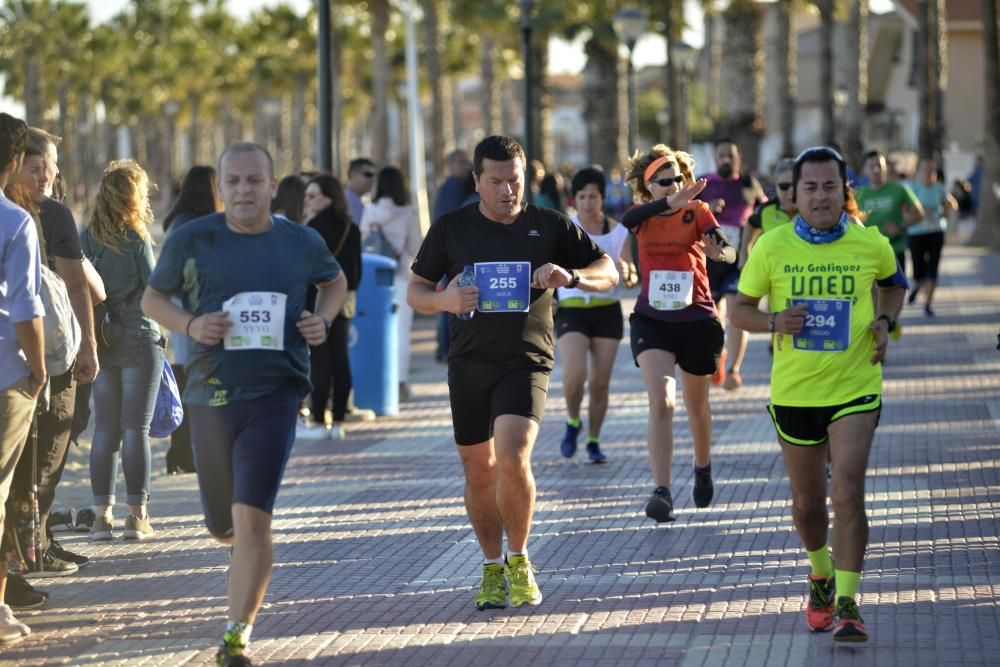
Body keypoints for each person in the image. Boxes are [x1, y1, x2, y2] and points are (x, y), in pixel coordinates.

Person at [142, 142, 347, 666]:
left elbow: (334, 282)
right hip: (210, 395)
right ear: (221, 188)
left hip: (276, 393)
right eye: (233, 182)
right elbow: (151, 300)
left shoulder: (300, 241)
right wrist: (190, 324)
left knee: (254, 519)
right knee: (221, 525)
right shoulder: (193, 239)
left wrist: (321, 319)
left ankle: (236, 634)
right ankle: (239, 549)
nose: (243, 191)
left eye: (254, 181)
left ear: (272, 187)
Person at [407, 135, 617, 610]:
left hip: (526, 360)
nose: (507, 191)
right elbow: (416, 290)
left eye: (515, 181)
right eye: (496, 182)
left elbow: (612, 268)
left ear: (527, 179)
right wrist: (444, 300)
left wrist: (573, 277)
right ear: (478, 182)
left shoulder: (549, 225)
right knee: (478, 470)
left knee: (513, 454)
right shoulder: (451, 229)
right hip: (469, 363)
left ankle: (520, 558)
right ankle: (490, 567)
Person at [731, 146, 906, 643]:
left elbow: (895, 287)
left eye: (831, 186)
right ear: (795, 194)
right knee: (808, 505)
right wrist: (770, 322)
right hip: (795, 391)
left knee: (847, 490)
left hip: (855, 385)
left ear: (845, 190)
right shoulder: (773, 246)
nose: (821, 195)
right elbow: (738, 309)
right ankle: (821, 573)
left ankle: (849, 603)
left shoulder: (869, 243)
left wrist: (885, 322)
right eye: (810, 187)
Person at [622, 145, 736, 523]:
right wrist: (666, 202)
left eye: (679, 179)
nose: (674, 186)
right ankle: (662, 490)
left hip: (697, 317)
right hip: (652, 320)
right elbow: (628, 220)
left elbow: (726, 250)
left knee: (696, 406)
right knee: (662, 403)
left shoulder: (697, 210)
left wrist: (719, 253)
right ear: (648, 186)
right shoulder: (642, 217)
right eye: (665, 182)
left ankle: (702, 467)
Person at [9, 127, 100, 575]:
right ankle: (31, 552)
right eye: (35, 167)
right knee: (46, 454)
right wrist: (88, 344)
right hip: (48, 352)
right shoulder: (47, 216)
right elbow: (74, 282)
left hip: (30, 353)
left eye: (51, 168)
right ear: (13, 164)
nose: (45, 176)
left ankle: (39, 541)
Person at [81, 160, 164, 542]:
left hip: (99, 337)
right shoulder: (137, 238)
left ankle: (101, 517)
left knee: (106, 430)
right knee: (136, 428)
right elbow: (156, 287)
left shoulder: (86, 239)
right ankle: (137, 515)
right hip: (138, 335)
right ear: (134, 196)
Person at [0, 112, 46, 644]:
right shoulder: (15, 222)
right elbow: (25, 310)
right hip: (7, 373)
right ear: (14, 162)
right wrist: (37, 371)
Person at [555, 167, 636, 464]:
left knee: (600, 383)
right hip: (572, 312)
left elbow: (628, 270)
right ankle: (573, 420)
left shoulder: (618, 231)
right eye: (582, 196)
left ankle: (593, 440)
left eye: (593, 196)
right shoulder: (565, 228)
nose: (588, 202)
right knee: (575, 376)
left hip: (607, 313)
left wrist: (628, 275)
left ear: (603, 198)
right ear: (574, 199)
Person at [162, 165, 223, 474]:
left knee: (186, 374)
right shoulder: (197, 225)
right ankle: (184, 453)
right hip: (192, 311)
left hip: (180, 310)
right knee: (191, 379)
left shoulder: (178, 221)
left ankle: (181, 453)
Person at [697, 138, 765, 390]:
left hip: (739, 260)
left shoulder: (748, 184)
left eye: (731, 155)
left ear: (739, 159)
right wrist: (707, 209)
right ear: (715, 158)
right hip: (709, 259)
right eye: (722, 154)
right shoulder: (704, 183)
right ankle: (719, 354)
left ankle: (734, 369)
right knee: (712, 317)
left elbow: (765, 215)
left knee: (737, 311)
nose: (726, 159)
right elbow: (688, 214)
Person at [298, 173, 362, 439]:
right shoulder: (351, 227)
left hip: (317, 300)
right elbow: (356, 273)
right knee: (341, 359)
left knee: (320, 359)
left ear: (328, 197)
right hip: (345, 300)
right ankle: (338, 418)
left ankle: (317, 416)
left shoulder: (311, 228)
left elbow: (303, 271)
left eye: (312, 195)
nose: (307, 200)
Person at [360, 166, 422, 402]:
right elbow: (416, 247)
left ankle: (377, 380)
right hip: (400, 276)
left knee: (376, 330)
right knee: (401, 331)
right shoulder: (406, 212)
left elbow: (362, 241)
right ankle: (400, 382)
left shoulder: (370, 210)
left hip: (374, 276)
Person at [432, 150, 473, 362]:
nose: (466, 166)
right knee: (450, 300)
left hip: (445, 252)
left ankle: (444, 347)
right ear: (450, 165)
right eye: (461, 162)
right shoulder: (453, 188)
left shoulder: (446, 188)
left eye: (467, 162)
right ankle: (448, 347)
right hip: (452, 254)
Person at [855, 151, 923, 275]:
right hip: (868, 252)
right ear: (865, 170)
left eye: (879, 166)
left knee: (896, 292)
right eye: (871, 166)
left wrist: (901, 227)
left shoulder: (899, 189)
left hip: (894, 250)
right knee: (871, 293)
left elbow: (919, 214)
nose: (876, 170)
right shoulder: (858, 195)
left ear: (886, 168)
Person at [905, 157, 956, 316]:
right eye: (926, 169)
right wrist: (918, 213)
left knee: (933, 268)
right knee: (918, 269)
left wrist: (946, 210)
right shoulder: (913, 189)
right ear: (918, 171)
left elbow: (952, 203)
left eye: (932, 170)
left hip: (935, 232)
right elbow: (905, 210)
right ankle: (918, 286)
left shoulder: (939, 188)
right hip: (916, 233)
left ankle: (928, 304)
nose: (929, 173)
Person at [744, 158, 797, 260]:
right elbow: (751, 223)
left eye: (795, 185)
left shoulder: (813, 211)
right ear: (776, 187)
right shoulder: (766, 210)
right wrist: (744, 256)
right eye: (784, 186)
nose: (791, 191)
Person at [344, 158, 376, 225]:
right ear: (353, 175)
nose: (372, 179)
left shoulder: (358, 200)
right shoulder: (346, 201)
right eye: (368, 174)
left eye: (374, 175)